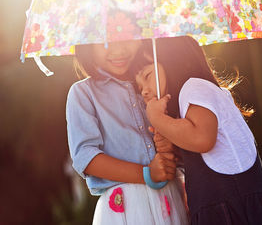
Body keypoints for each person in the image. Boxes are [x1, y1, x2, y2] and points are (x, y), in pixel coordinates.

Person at [133, 36, 262, 225]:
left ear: (173, 60)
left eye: (147, 76)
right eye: (140, 86)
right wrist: (172, 142)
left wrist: (158, 119)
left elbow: (202, 140)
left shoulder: (195, 87)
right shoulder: (191, 101)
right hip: (220, 209)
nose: (143, 91)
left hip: (234, 211)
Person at [66, 40, 188, 225]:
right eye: (105, 42)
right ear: (87, 45)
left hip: (170, 201)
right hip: (126, 209)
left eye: (127, 39)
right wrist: (147, 173)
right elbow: (86, 157)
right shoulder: (83, 93)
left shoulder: (153, 83)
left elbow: (186, 145)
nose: (119, 49)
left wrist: (171, 145)